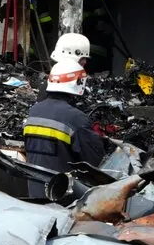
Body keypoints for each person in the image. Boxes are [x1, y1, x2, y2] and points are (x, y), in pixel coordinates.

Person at [23, 60, 105, 197]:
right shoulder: (76, 118)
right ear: (78, 83)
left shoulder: (33, 111)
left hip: (35, 195)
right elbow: (95, 162)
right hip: (64, 198)